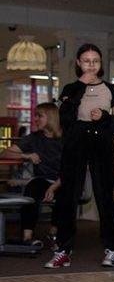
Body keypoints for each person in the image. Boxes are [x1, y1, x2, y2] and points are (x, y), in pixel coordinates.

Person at [45, 43, 114, 269]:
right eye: (87, 61)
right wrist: (80, 86)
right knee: (68, 197)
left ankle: (111, 248)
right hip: (75, 144)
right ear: (79, 63)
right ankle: (63, 250)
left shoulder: (110, 89)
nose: (91, 65)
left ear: (100, 64)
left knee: (104, 196)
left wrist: (103, 117)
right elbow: (65, 119)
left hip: (101, 143)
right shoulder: (70, 89)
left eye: (95, 61)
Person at [2, 102, 62, 247]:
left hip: (63, 180)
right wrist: (26, 155)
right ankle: (27, 237)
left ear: (51, 118)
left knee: (67, 192)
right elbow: (5, 153)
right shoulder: (34, 138)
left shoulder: (66, 139)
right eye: (35, 116)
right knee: (33, 186)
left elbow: (72, 169)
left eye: (39, 116)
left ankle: (54, 232)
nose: (35, 119)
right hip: (42, 180)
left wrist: (54, 187)